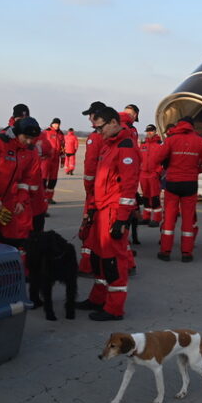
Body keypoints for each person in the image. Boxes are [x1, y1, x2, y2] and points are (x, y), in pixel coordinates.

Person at [76, 107, 139, 321]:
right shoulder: (108, 146)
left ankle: (114, 308)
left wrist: (122, 219)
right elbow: (101, 181)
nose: (97, 131)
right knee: (98, 257)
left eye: (100, 127)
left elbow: (129, 187)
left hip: (114, 212)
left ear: (113, 123)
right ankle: (97, 298)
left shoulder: (125, 148)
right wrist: (92, 208)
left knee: (113, 261)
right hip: (101, 210)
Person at [0, 117, 41, 248]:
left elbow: (26, 179)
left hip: (8, 198)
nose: (29, 141)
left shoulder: (30, 150)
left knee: (10, 237)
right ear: (17, 133)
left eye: (32, 138)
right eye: (26, 137)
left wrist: (21, 200)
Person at [154, 116, 202, 262]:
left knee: (169, 218)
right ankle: (187, 253)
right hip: (190, 184)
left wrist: (167, 166)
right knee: (188, 219)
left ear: (178, 125)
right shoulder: (200, 140)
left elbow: (157, 158)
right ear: (192, 126)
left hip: (173, 183)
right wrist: (196, 171)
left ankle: (165, 251)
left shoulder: (171, 139)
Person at [77, 101, 106, 275]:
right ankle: (127, 263)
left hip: (96, 189)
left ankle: (87, 266)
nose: (89, 118)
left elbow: (90, 166)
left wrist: (89, 189)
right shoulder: (121, 136)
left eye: (91, 115)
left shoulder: (95, 138)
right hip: (109, 190)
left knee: (90, 225)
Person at [137, 124, 163, 228]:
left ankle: (157, 218)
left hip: (153, 174)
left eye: (151, 131)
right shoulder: (143, 145)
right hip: (143, 174)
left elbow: (164, 161)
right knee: (146, 197)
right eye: (147, 131)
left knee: (155, 197)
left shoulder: (160, 145)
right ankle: (146, 217)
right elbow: (139, 159)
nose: (149, 132)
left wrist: (158, 172)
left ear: (155, 131)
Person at [43, 118, 65, 204]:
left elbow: (63, 148)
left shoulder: (61, 134)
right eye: (55, 124)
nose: (56, 125)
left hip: (55, 160)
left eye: (58, 124)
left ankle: (49, 197)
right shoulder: (46, 132)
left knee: (53, 180)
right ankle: (42, 197)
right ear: (52, 124)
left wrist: (63, 160)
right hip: (46, 159)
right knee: (43, 179)